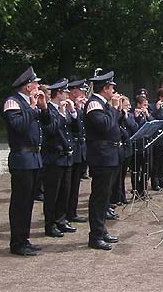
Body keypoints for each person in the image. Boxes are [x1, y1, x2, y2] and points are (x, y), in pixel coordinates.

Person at [3, 66, 52, 256]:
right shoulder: (13, 103)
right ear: (27, 86)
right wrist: (32, 107)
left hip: (34, 157)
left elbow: (47, 124)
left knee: (29, 202)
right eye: (36, 83)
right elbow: (19, 127)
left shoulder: (31, 104)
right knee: (20, 203)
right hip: (21, 157)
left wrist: (43, 107)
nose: (39, 86)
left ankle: (25, 238)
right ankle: (17, 243)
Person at [84, 70, 121, 250]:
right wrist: (113, 108)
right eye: (112, 87)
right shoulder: (94, 104)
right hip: (101, 156)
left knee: (106, 197)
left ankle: (101, 229)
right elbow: (104, 125)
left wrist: (115, 109)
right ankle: (95, 236)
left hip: (110, 155)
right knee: (99, 197)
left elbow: (115, 123)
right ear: (105, 88)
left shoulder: (104, 103)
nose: (114, 90)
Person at [42, 79, 79, 238]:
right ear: (59, 94)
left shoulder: (65, 109)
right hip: (53, 157)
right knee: (52, 193)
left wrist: (73, 112)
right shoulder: (49, 110)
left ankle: (61, 219)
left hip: (67, 156)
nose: (67, 94)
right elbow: (50, 130)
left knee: (65, 191)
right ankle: (50, 224)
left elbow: (76, 130)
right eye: (65, 92)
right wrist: (62, 114)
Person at [66, 79, 88, 223]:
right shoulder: (67, 106)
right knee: (68, 185)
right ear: (74, 92)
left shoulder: (78, 106)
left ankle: (72, 212)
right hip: (71, 147)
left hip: (80, 148)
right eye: (82, 91)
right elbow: (74, 127)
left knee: (75, 184)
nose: (84, 94)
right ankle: (66, 213)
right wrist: (77, 110)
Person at [132, 92, 154, 195]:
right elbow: (133, 128)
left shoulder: (147, 114)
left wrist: (148, 115)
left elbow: (153, 123)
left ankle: (143, 188)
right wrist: (136, 117)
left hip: (147, 144)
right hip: (137, 145)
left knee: (147, 169)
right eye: (144, 105)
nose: (146, 107)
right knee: (136, 169)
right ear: (138, 104)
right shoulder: (133, 114)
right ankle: (136, 189)